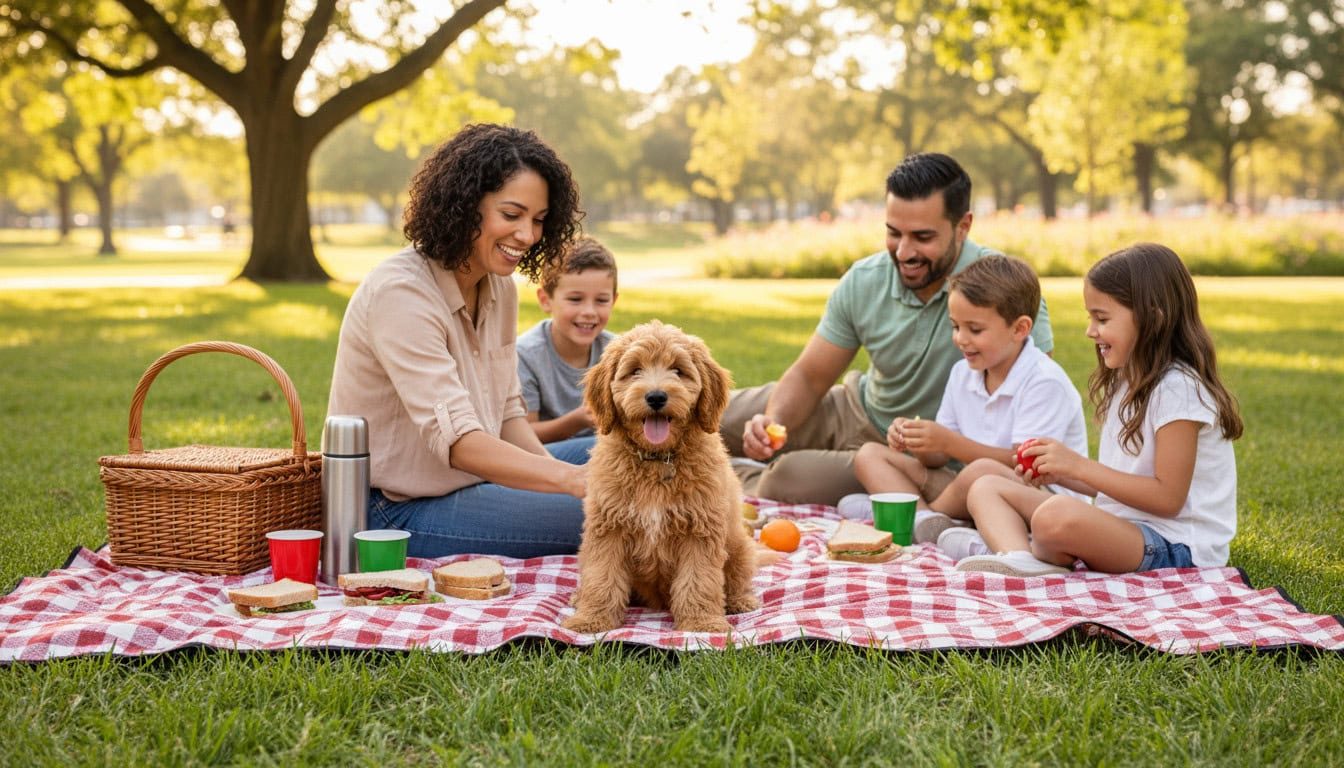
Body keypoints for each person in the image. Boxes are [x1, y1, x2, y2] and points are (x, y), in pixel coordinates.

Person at [720, 152, 1054, 505]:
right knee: (703, 411)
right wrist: (772, 423)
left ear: (963, 226)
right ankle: (723, 464)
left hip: (915, 456)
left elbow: (1034, 398)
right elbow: (811, 376)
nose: (904, 252)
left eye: (923, 237)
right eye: (894, 233)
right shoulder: (866, 279)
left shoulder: (1007, 292)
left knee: (785, 477)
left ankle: (719, 482)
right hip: (854, 408)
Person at [327, 123, 589, 559]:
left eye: (539, 220)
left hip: (474, 483)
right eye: (512, 215)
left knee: (619, 456)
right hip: (396, 513)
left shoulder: (499, 287)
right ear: (465, 206)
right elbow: (461, 444)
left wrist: (559, 476)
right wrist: (571, 482)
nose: (527, 235)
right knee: (612, 513)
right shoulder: (401, 293)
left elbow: (507, 416)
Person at [954, 243, 1244, 577]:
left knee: (1054, 516)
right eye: (1090, 318)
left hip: (1176, 547)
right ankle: (1019, 558)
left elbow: (1167, 498)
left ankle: (1014, 549)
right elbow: (1119, 487)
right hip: (1126, 528)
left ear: (1152, 318)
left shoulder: (1177, 388)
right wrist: (1059, 472)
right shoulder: (1127, 381)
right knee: (986, 484)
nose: (1090, 331)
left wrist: (1078, 467)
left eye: (1102, 319)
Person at [848, 255, 1088, 545]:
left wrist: (949, 443)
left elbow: (1026, 466)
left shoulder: (1044, 381)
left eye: (975, 329)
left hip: (1039, 499)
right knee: (870, 455)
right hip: (966, 487)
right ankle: (925, 519)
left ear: (1019, 329)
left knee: (981, 470)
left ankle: (912, 512)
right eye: (955, 326)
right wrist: (918, 440)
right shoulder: (962, 372)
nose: (961, 339)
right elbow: (938, 458)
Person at [517, 236, 618, 443]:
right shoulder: (526, 355)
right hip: (543, 453)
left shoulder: (617, 351)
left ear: (613, 301)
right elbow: (522, 435)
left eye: (601, 300)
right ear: (546, 300)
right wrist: (577, 421)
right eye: (575, 299)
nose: (589, 311)